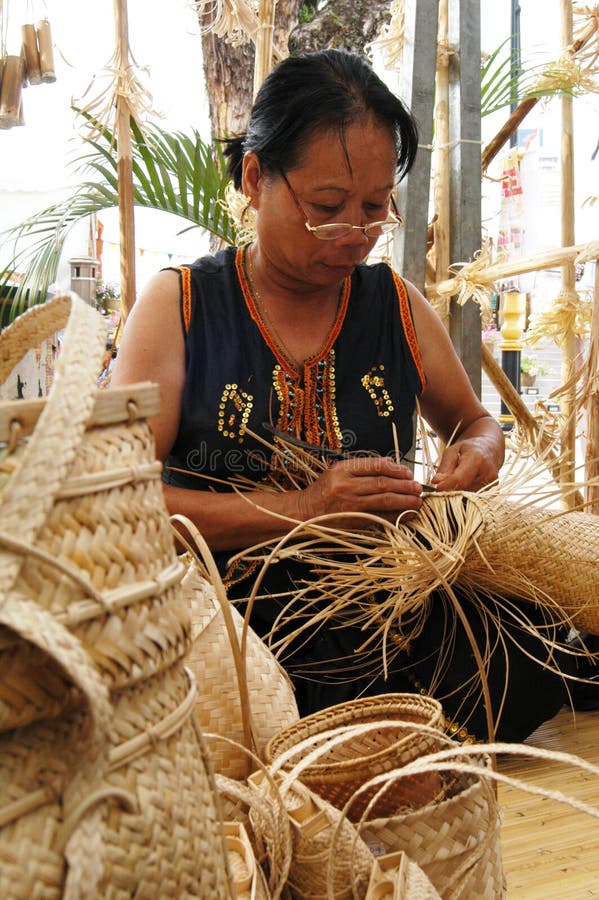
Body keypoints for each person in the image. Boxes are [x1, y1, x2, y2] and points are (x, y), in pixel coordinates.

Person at [111, 48, 573, 741]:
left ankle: (380, 731)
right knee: (267, 690)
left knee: (537, 640)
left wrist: (474, 455)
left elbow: (474, 420)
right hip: (227, 613)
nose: (353, 235)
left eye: (373, 208)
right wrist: (301, 509)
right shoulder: (179, 305)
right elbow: (123, 503)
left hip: (379, 594)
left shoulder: (392, 303)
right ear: (255, 176)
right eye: (327, 207)